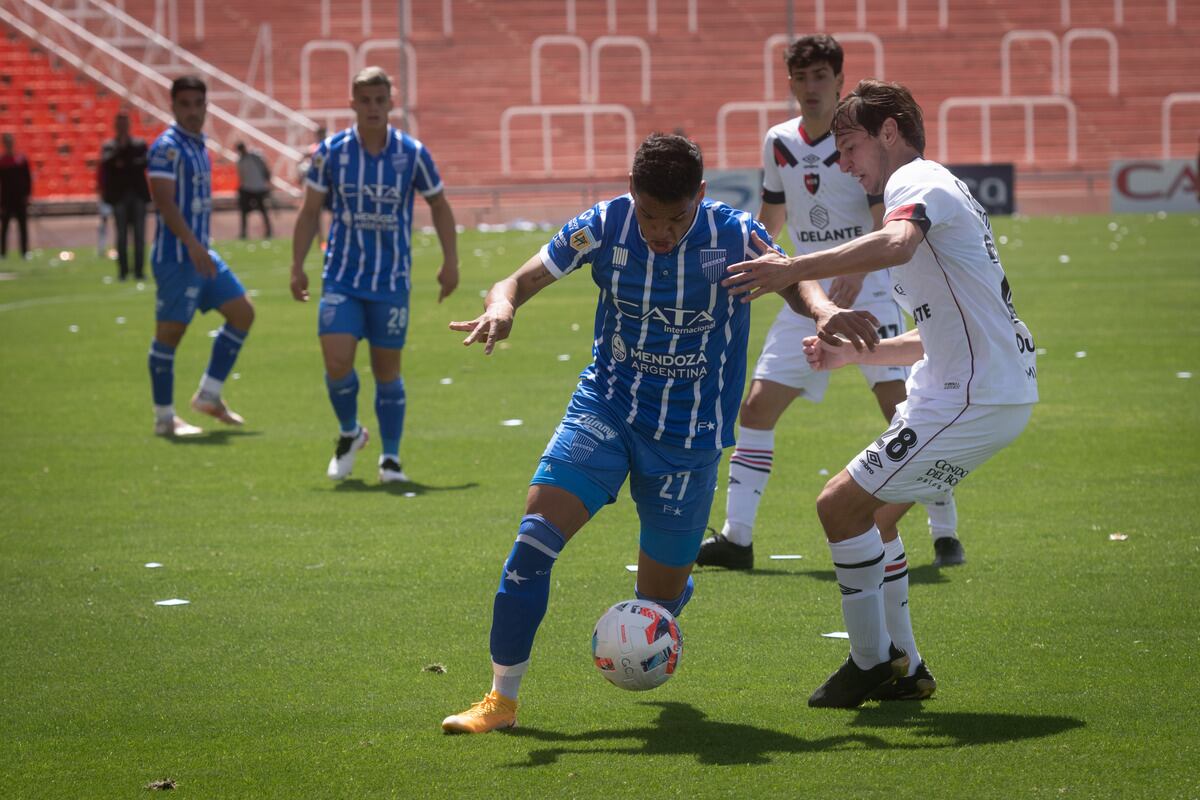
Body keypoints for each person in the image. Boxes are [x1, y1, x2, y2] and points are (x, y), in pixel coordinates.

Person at [439, 133, 784, 735]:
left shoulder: (733, 234)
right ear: (631, 194)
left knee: (656, 605)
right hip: (606, 411)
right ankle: (500, 701)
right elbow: (514, 281)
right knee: (531, 547)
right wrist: (503, 307)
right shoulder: (603, 225)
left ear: (700, 197)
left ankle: (671, 595)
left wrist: (825, 310)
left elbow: (795, 281)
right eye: (649, 214)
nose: (660, 231)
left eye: (676, 218)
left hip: (689, 437)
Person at [722, 80, 1038, 708]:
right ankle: (908, 668)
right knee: (876, 520)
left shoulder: (914, 180)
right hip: (977, 390)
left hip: (972, 398)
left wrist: (794, 269)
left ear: (890, 131)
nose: (841, 162)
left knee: (838, 507)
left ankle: (870, 662)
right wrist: (846, 355)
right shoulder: (937, 188)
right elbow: (941, 333)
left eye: (850, 145)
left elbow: (894, 243)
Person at [697, 34, 963, 574]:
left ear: (840, 81)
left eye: (821, 76)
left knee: (903, 409)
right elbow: (771, 218)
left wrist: (856, 272)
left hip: (867, 286)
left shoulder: (857, 140)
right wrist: (756, 263)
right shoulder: (778, 141)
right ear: (789, 82)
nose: (810, 87)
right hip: (805, 291)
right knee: (757, 408)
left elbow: (880, 219)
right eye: (801, 77)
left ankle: (944, 529)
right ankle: (738, 537)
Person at [290, 67, 459, 482]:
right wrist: (297, 265)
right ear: (352, 103)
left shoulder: (412, 154)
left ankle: (391, 458)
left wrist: (450, 260)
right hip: (342, 277)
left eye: (379, 100)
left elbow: (438, 205)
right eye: (364, 100)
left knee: (387, 372)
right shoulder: (331, 153)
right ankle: (350, 433)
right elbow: (310, 210)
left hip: (390, 282)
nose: (372, 108)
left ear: (391, 102)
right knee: (337, 360)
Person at [146, 75, 255, 437]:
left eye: (198, 104)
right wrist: (193, 244)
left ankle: (209, 395)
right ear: (173, 106)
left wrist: (200, 246)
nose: (193, 112)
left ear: (207, 107)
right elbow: (163, 201)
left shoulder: (199, 145)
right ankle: (164, 418)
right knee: (170, 335)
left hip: (200, 254)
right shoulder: (167, 148)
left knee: (242, 313)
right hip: (177, 257)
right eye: (185, 105)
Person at [101, 110, 151, 280]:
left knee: (139, 236)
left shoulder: (139, 144)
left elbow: (143, 163)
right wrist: (121, 153)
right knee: (121, 235)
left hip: (137, 195)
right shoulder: (110, 145)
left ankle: (139, 271)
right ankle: (123, 271)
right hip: (119, 197)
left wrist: (123, 162)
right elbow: (108, 165)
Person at [0, 133, 32, 260]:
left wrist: (27, 195)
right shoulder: (2, 161)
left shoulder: (21, 160)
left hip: (20, 199)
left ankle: (24, 252)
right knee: (5, 227)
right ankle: (3, 253)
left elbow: (27, 179)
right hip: (6, 199)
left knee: (23, 226)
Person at [235, 141, 272, 240]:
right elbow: (241, 177)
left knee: (263, 211)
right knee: (244, 212)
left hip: (259, 188)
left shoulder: (256, 156)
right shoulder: (240, 161)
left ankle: (269, 231)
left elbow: (265, 168)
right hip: (247, 188)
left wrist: (268, 182)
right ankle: (243, 232)